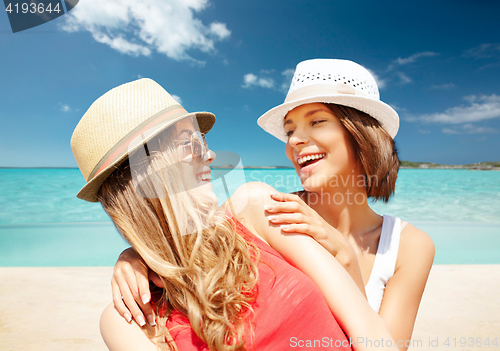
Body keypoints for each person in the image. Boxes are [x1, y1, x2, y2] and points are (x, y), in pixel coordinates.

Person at [111, 59, 435, 351]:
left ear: (360, 132)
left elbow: (384, 343)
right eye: (290, 130)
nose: (294, 140)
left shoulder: (408, 245)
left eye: (317, 121)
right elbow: (192, 239)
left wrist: (346, 258)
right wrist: (135, 257)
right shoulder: (270, 210)